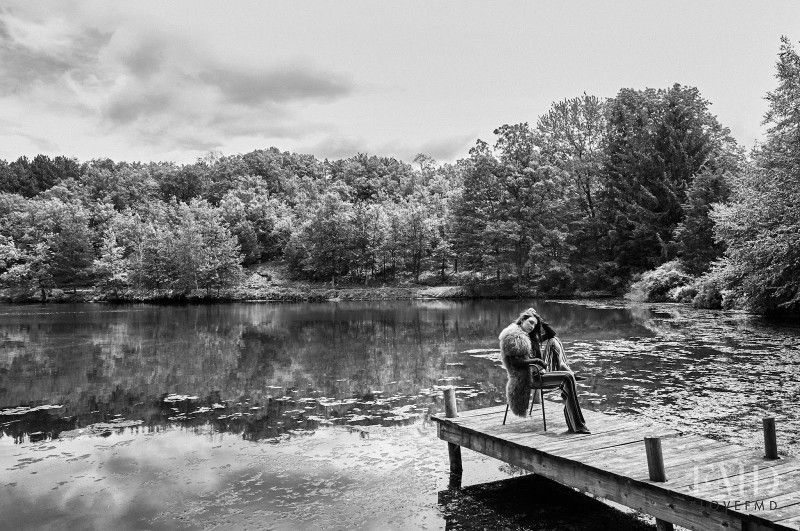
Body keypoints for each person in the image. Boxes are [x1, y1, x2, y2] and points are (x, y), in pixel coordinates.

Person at [499, 308, 590, 434]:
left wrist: (539, 319)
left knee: (554, 341)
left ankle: (577, 423)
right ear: (522, 320)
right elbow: (514, 362)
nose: (532, 326)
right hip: (528, 377)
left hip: (539, 372)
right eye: (530, 322)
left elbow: (552, 333)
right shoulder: (514, 336)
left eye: (535, 325)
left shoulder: (529, 338)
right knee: (568, 378)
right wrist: (537, 361)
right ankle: (577, 425)